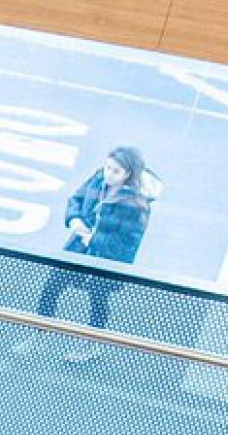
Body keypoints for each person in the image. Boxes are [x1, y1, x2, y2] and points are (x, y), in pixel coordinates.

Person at [34, 145, 157, 364]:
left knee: (98, 299)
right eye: (107, 167)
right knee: (52, 285)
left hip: (107, 260)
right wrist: (74, 219)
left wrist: (94, 239)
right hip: (79, 248)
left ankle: (93, 343)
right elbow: (77, 199)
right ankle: (41, 332)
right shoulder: (99, 179)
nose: (108, 173)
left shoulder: (137, 205)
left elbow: (129, 242)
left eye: (115, 171)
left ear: (128, 174)